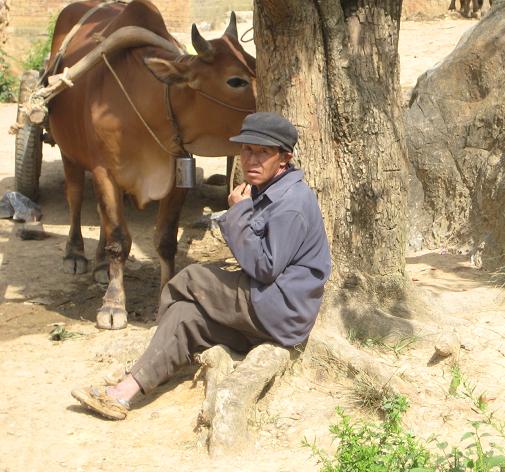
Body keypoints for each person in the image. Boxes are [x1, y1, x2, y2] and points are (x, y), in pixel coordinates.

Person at [71, 112, 331, 420]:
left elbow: (264, 268)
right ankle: (124, 393)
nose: (252, 159)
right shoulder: (269, 189)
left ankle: (154, 344)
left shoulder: (292, 203)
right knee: (185, 316)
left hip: (280, 310)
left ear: (284, 158)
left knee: (190, 278)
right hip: (269, 311)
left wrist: (240, 212)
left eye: (263, 152)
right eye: (247, 149)